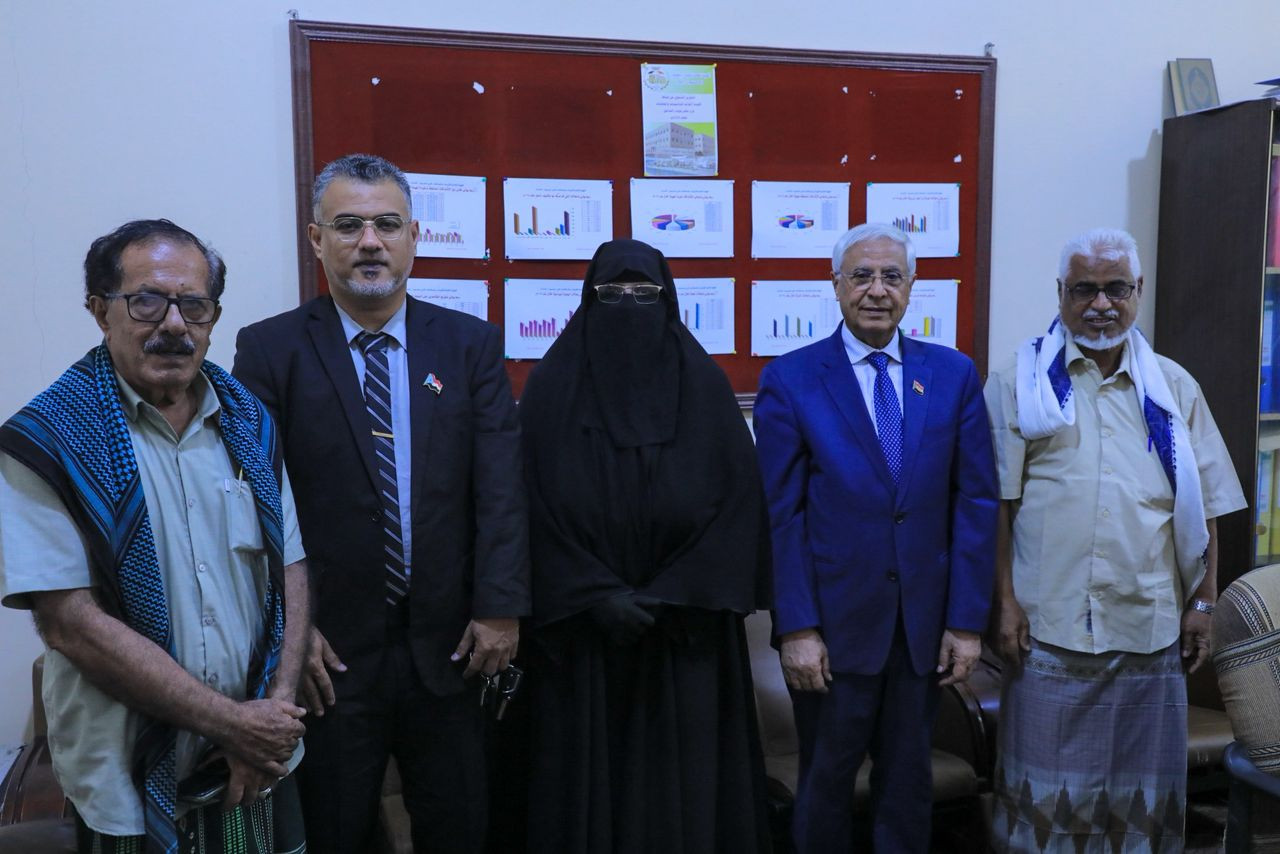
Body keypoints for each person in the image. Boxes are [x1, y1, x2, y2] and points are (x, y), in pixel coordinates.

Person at [232, 153, 529, 854]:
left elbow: (501, 487)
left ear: (414, 236)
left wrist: (500, 607)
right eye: (349, 225)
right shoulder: (270, 349)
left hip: (454, 647)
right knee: (335, 832)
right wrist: (291, 629)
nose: (370, 242)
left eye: (387, 224)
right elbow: (251, 500)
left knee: (460, 829)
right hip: (329, 657)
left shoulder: (469, 345)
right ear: (317, 240)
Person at [0, 219, 310, 853]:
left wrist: (274, 713)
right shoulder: (47, 442)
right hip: (126, 778)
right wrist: (235, 724)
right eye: (147, 301)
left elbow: (291, 570)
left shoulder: (250, 423)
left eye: (194, 305)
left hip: (255, 767)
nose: (174, 324)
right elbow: (69, 623)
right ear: (99, 310)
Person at [984, 227, 1247, 851]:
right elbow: (996, 505)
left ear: (1138, 291)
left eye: (1115, 289)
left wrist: (1204, 601)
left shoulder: (1174, 387)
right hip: (1049, 628)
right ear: (1061, 292)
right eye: (1084, 290)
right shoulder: (1020, 382)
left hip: (1148, 626)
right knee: (1042, 815)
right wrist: (1005, 602)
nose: (1100, 304)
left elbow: (1207, 506)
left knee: (1140, 818)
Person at [519, 238, 773, 853]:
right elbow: (523, 510)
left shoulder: (705, 388)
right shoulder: (550, 391)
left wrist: (676, 593)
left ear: (669, 301)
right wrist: (594, 594)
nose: (629, 305)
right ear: (588, 300)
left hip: (687, 638)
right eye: (612, 294)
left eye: (644, 293)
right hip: (580, 639)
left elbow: (738, 508)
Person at [754, 222, 998, 852]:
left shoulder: (952, 375)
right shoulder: (792, 379)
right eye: (861, 275)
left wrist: (966, 623)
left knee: (908, 786)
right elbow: (780, 516)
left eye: (892, 276)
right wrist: (797, 628)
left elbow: (974, 503)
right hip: (832, 634)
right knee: (827, 785)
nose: (877, 290)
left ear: (911, 287)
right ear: (836, 285)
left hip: (923, 633)